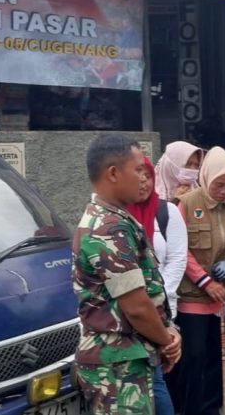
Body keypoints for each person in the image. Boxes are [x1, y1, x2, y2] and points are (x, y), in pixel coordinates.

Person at [73, 134, 182, 413]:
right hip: (117, 368)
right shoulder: (107, 228)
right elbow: (136, 307)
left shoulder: (117, 218)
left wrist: (166, 332)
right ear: (113, 173)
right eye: (138, 170)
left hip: (135, 354)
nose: (144, 177)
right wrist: (167, 339)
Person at [172, 147, 225, 415]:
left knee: (221, 356)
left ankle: (215, 407)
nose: (224, 190)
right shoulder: (187, 203)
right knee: (195, 357)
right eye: (219, 184)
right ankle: (192, 408)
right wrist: (204, 281)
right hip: (194, 295)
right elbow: (181, 250)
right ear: (206, 176)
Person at [130, 155, 188, 415]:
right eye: (137, 174)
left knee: (159, 379)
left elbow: (177, 259)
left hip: (162, 309)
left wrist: (160, 303)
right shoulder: (114, 219)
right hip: (128, 317)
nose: (142, 181)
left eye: (147, 175)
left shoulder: (167, 212)